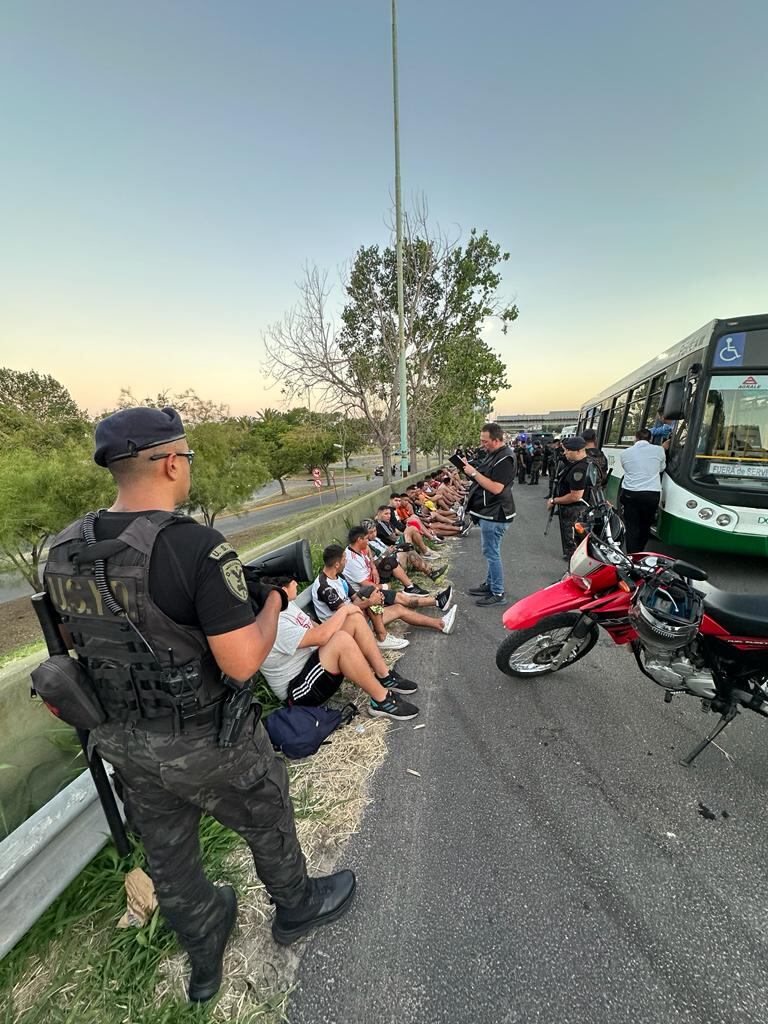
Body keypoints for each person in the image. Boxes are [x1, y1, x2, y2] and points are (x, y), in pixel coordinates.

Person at [42, 406, 355, 1003]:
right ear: (165, 463)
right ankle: (296, 906)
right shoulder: (194, 547)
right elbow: (240, 662)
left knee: (170, 858)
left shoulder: (63, 550)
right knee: (267, 815)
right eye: (185, 456)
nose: (187, 466)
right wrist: (272, 605)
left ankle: (205, 957)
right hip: (211, 740)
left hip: (125, 743)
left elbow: (78, 638)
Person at [258, 576, 419, 721]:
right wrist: (344, 610)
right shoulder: (275, 623)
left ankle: (384, 676)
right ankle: (381, 700)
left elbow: (314, 627)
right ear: (281, 591)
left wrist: (347, 614)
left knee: (354, 618)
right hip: (300, 692)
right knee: (340, 638)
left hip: (314, 667)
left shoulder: (285, 605)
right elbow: (320, 636)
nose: (296, 582)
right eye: (292, 581)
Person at [311, 544, 456, 641]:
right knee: (370, 593)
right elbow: (344, 612)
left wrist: (373, 597)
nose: (345, 562)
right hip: (345, 626)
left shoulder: (338, 576)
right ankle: (382, 637)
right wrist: (370, 601)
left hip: (358, 615)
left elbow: (355, 597)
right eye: (344, 560)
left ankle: (441, 623)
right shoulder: (325, 587)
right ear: (337, 564)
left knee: (396, 606)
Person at [463, 422, 517, 607]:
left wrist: (474, 473)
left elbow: (496, 487)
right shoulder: (494, 454)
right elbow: (484, 475)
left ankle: (498, 592)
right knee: (491, 552)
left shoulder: (506, 459)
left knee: (492, 553)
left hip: (497, 514)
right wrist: (470, 469)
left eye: (485, 441)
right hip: (490, 513)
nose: (482, 444)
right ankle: (490, 584)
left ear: (496, 440)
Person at [547, 435, 599, 560]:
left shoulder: (579, 469)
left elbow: (575, 496)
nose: (565, 453)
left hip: (574, 511)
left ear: (579, 451)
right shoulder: (587, 463)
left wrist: (554, 500)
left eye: (568, 450)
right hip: (581, 510)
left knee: (574, 548)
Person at [619, 427, 666, 552]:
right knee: (645, 525)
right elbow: (662, 468)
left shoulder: (625, 453)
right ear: (650, 439)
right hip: (651, 495)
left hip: (630, 494)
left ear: (636, 438)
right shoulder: (659, 450)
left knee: (632, 526)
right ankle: (640, 550)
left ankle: (631, 554)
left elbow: (627, 468)